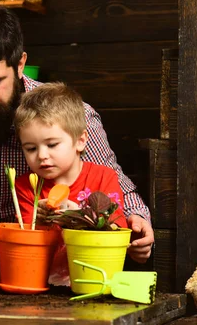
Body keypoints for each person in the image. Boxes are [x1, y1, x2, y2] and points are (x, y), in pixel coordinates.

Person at [0, 1, 154, 264]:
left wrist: (138, 222)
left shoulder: (67, 115)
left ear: (20, 64)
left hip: (41, 262)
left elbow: (116, 189)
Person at [13, 82, 127, 230]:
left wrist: (80, 217)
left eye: (52, 145)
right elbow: (27, 240)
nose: (41, 155)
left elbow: (117, 231)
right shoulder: (26, 187)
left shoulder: (104, 177)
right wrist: (39, 221)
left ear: (80, 141)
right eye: (31, 148)